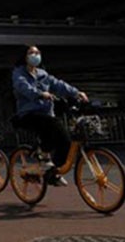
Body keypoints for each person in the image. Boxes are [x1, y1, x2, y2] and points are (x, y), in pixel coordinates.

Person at [12, 45, 88, 186]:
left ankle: (52, 171)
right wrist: (40, 94)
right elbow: (23, 87)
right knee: (51, 125)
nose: (35, 55)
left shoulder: (43, 74)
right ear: (25, 56)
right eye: (31, 53)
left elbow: (58, 84)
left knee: (65, 139)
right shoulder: (19, 73)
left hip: (46, 114)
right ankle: (43, 155)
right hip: (28, 114)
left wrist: (76, 92)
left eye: (37, 52)